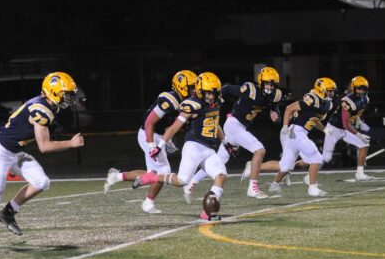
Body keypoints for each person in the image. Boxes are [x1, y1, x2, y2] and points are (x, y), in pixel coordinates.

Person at [0, 72, 84, 245]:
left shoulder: (47, 104)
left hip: (15, 151)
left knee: (41, 181)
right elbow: (44, 146)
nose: (70, 98)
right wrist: (71, 143)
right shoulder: (41, 110)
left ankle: (8, 212)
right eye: (66, 94)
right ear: (53, 92)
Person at [130, 72, 230, 220]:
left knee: (221, 175)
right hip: (194, 147)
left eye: (214, 93)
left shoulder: (217, 102)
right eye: (208, 93)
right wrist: (158, 145)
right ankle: (153, 177)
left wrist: (227, 144)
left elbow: (215, 124)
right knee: (181, 180)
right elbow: (173, 128)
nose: (211, 97)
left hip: (209, 149)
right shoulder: (191, 104)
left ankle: (208, 212)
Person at [103, 70, 197, 213]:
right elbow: (149, 122)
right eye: (191, 87)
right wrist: (152, 144)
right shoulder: (170, 100)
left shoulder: (183, 101)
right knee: (163, 171)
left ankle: (117, 176)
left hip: (157, 134)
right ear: (181, 86)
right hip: (148, 133)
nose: (194, 91)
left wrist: (167, 139)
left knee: (152, 173)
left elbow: (167, 122)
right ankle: (148, 203)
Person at [218, 67, 283, 199]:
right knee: (259, 150)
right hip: (234, 124)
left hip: (240, 126)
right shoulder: (251, 90)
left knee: (218, 161)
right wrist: (217, 100)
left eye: (272, 85)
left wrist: (274, 114)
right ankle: (253, 188)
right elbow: (226, 90)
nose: (269, 88)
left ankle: (191, 181)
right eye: (267, 84)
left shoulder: (275, 95)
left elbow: (273, 108)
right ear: (260, 82)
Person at [272, 77, 337, 197]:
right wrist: (285, 126)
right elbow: (289, 108)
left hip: (300, 133)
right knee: (316, 157)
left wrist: (324, 129)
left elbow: (314, 119)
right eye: (329, 90)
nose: (331, 93)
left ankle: (269, 179)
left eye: (332, 91)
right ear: (321, 89)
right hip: (296, 131)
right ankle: (312, 188)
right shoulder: (312, 99)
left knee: (285, 166)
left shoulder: (327, 104)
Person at [320, 76, 374, 181]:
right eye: (359, 88)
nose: (361, 91)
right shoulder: (347, 100)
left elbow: (356, 113)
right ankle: (307, 174)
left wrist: (358, 121)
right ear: (354, 88)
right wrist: (359, 134)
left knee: (364, 145)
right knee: (326, 157)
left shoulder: (365, 99)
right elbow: (346, 124)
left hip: (345, 130)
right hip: (334, 128)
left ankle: (360, 173)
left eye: (363, 88)